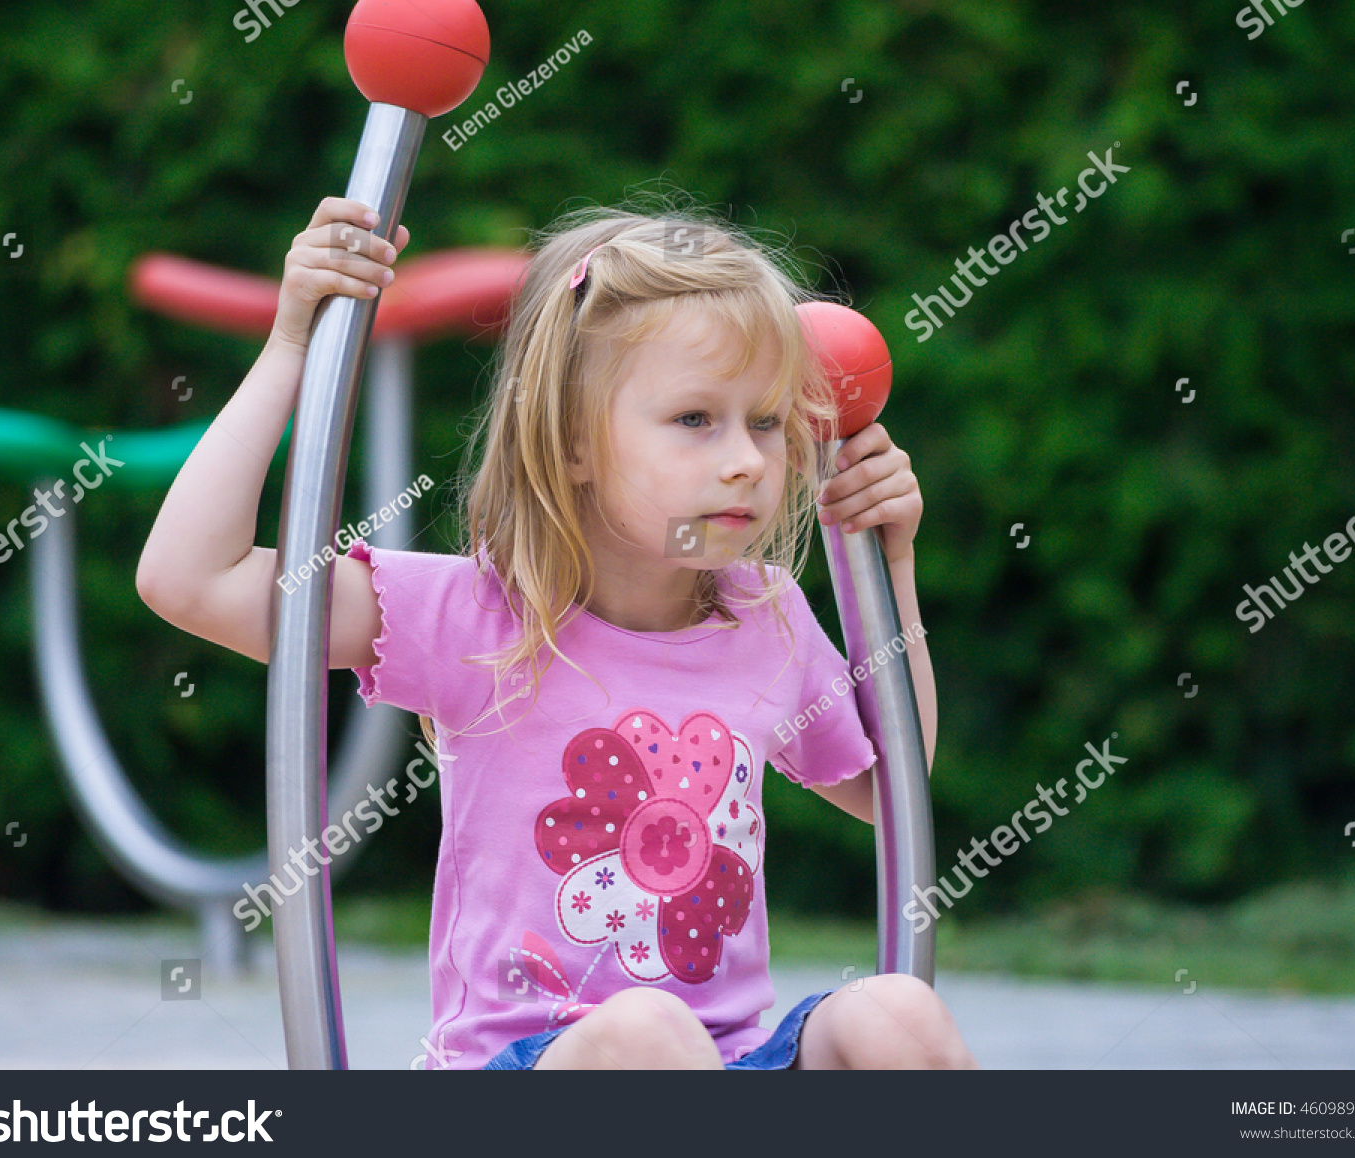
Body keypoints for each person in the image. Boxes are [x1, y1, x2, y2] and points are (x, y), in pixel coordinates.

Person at [136, 193, 978, 1071]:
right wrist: (293, 347)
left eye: (766, 422)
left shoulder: (763, 617)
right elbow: (190, 581)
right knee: (647, 1036)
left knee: (900, 1017)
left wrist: (891, 568)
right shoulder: (477, 617)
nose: (747, 459)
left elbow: (894, 796)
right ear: (573, 439)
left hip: (725, 1064)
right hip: (523, 1068)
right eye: (696, 419)